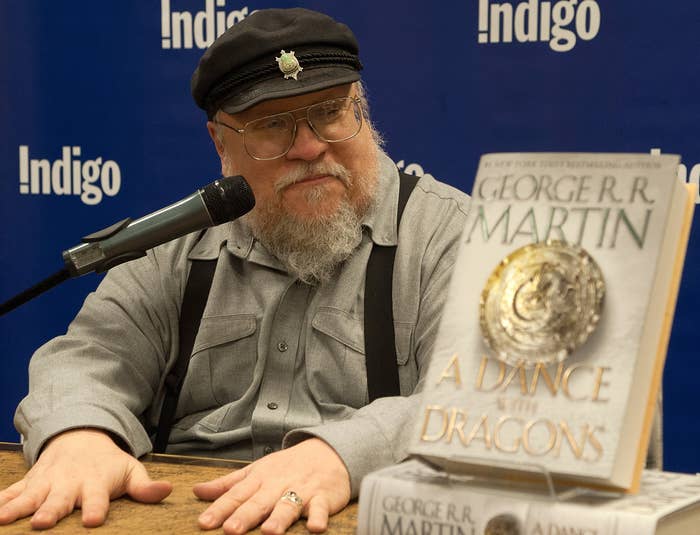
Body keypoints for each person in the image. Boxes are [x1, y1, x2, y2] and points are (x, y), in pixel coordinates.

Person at [1, 8, 469, 534]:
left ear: (361, 107)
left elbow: (476, 400)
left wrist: (342, 454)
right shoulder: (179, 242)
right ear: (220, 143)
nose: (310, 146)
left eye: (330, 111)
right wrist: (79, 434)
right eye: (272, 125)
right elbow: (88, 359)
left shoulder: (451, 234)